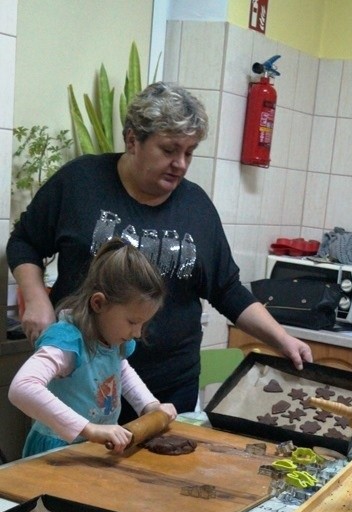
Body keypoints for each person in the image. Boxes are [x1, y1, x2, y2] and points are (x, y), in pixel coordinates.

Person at [7, 81, 312, 421]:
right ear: (133, 140)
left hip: (168, 392)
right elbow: (24, 242)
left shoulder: (197, 207)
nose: (180, 163)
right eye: (169, 150)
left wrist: (282, 339)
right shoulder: (80, 182)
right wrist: (36, 298)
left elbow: (227, 289)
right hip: (80, 387)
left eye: (189, 152)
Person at [9, 238, 177, 455]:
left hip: (92, 448)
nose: (137, 333)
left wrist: (150, 406)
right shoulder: (68, 341)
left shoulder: (112, 341)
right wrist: (88, 429)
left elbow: (120, 371)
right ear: (98, 303)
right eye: (133, 322)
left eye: (143, 324)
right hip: (57, 453)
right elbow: (22, 388)